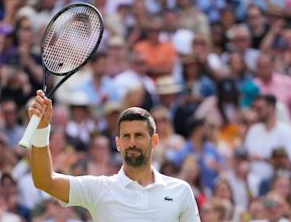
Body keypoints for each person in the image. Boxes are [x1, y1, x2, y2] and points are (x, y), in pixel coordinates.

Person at [26, 90, 200, 221]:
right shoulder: (99, 188)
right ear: (118, 143)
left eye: (139, 135)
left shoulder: (180, 191)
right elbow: (44, 181)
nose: (132, 142)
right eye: (126, 136)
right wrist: (41, 129)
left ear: (154, 141)